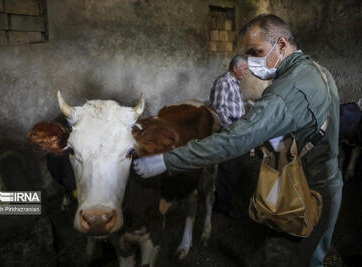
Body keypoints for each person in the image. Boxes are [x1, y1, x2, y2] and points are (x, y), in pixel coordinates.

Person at [133, 14, 342, 267]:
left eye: (257, 51)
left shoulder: (287, 89)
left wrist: (167, 160)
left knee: (298, 257)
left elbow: (236, 139)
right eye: (248, 55)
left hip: (304, 190)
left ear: (282, 45)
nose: (252, 62)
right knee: (309, 254)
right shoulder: (318, 71)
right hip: (324, 180)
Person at [208, 54, 249, 219]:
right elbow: (219, 108)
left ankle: (221, 204)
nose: (246, 72)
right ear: (235, 68)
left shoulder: (234, 83)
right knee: (227, 170)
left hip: (235, 131)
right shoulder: (224, 82)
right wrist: (232, 130)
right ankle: (224, 209)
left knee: (230, 170)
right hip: (228, 132)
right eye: (244, 69)